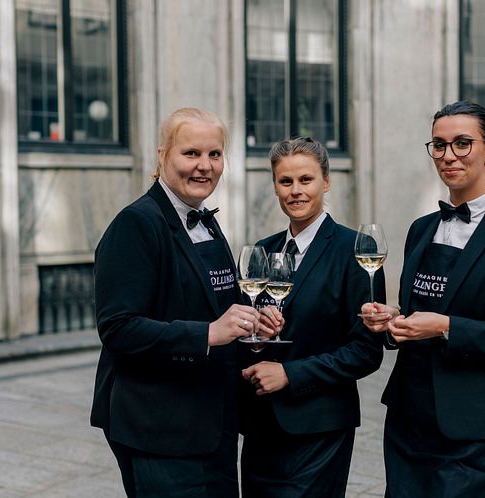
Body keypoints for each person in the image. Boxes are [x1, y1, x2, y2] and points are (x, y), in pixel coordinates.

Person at [361, 101, 485, 497]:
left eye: (462, 144)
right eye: (439, 145)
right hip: (409, 416)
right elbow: (417, 312)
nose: (448, 156)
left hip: (476, 424)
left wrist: (447, 328)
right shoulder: (421, 229)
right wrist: (393, 322)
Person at [90, 107, 270, 498]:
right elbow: (118, 328)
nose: (204, 166)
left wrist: (251, 320)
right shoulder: (136, 224)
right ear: (162, 155)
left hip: (212, 419)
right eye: (190, 154)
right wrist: (208, 333)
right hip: (159, 428)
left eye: (214, 154)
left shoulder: (203, 218)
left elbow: (212, 303)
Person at [239, 136, 385, 497]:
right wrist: (257, 339)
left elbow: (366, 352)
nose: (295, 191)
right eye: (285, 181)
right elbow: (248, 337)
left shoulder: (356, 252)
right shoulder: (262, 250)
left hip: (319, 427)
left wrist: (290, 374)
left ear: (326, 181)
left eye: (306, 180)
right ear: (275, 185)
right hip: (260, 426)